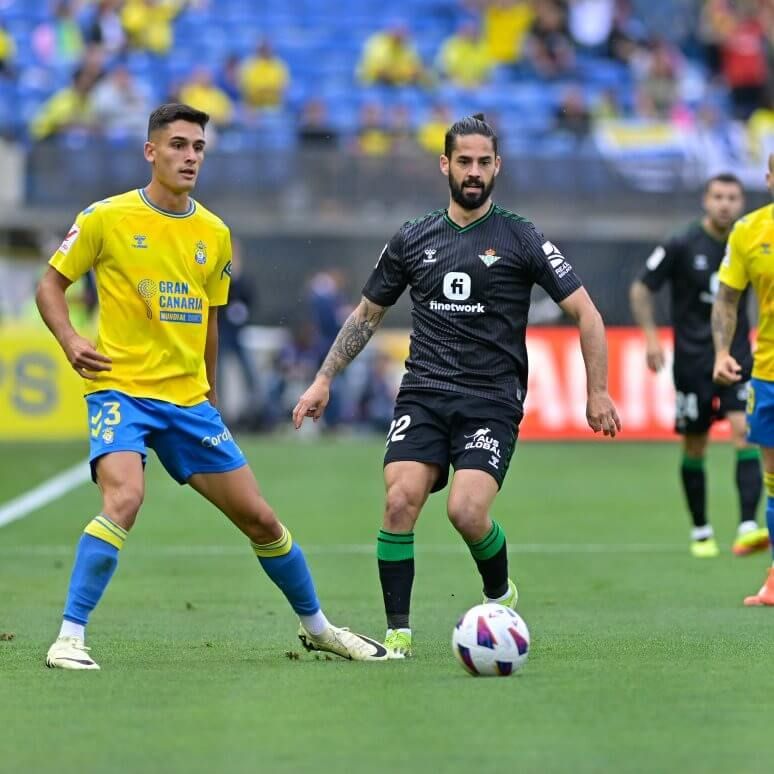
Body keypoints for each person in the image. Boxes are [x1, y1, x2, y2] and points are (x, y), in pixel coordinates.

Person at [35, 103, 387, 670]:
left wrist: (212, 395)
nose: (190, 156)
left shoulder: (214, 234)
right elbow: (50, 284)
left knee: (262, 521)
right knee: (124, 497)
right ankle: (69, 637)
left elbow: (211, 320)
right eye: (177, 145)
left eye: (198, 147)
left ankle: (320, 628)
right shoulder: (105, 217)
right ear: (151, 151)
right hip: (120, 391)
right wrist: (71, 340)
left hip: (188, 401)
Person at [293, 113, 620, 658]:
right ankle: (398, 631)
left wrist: (598, 390)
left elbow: (586, 313)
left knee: (466, 511)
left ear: (498, 167)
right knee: (399, 500)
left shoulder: (522, 236)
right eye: (463, 161)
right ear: (444, 164)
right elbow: (366, 314)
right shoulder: (413, 236)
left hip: (491, 399)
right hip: (423, 392)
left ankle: (499, 594)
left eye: (483, 162)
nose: (473, 172)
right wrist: (324, 379)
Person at [630, 174, 767, 559]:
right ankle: (701, 529)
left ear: (741, 202)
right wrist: (653, 337)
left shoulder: (749, 240)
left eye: (732, 197)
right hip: (692, 359)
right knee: (696, 442)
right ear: (706, 200)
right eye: (718, 196)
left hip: (738, 355)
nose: (725, 204)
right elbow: (641, 288)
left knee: (745, 432)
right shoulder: (680, 242)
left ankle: (746, 526)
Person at [713, 153, 774, 605]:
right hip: (768, 374)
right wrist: (720, 351)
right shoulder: (749, 231)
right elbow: (727, 299)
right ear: (769, 177)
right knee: (772, 477)